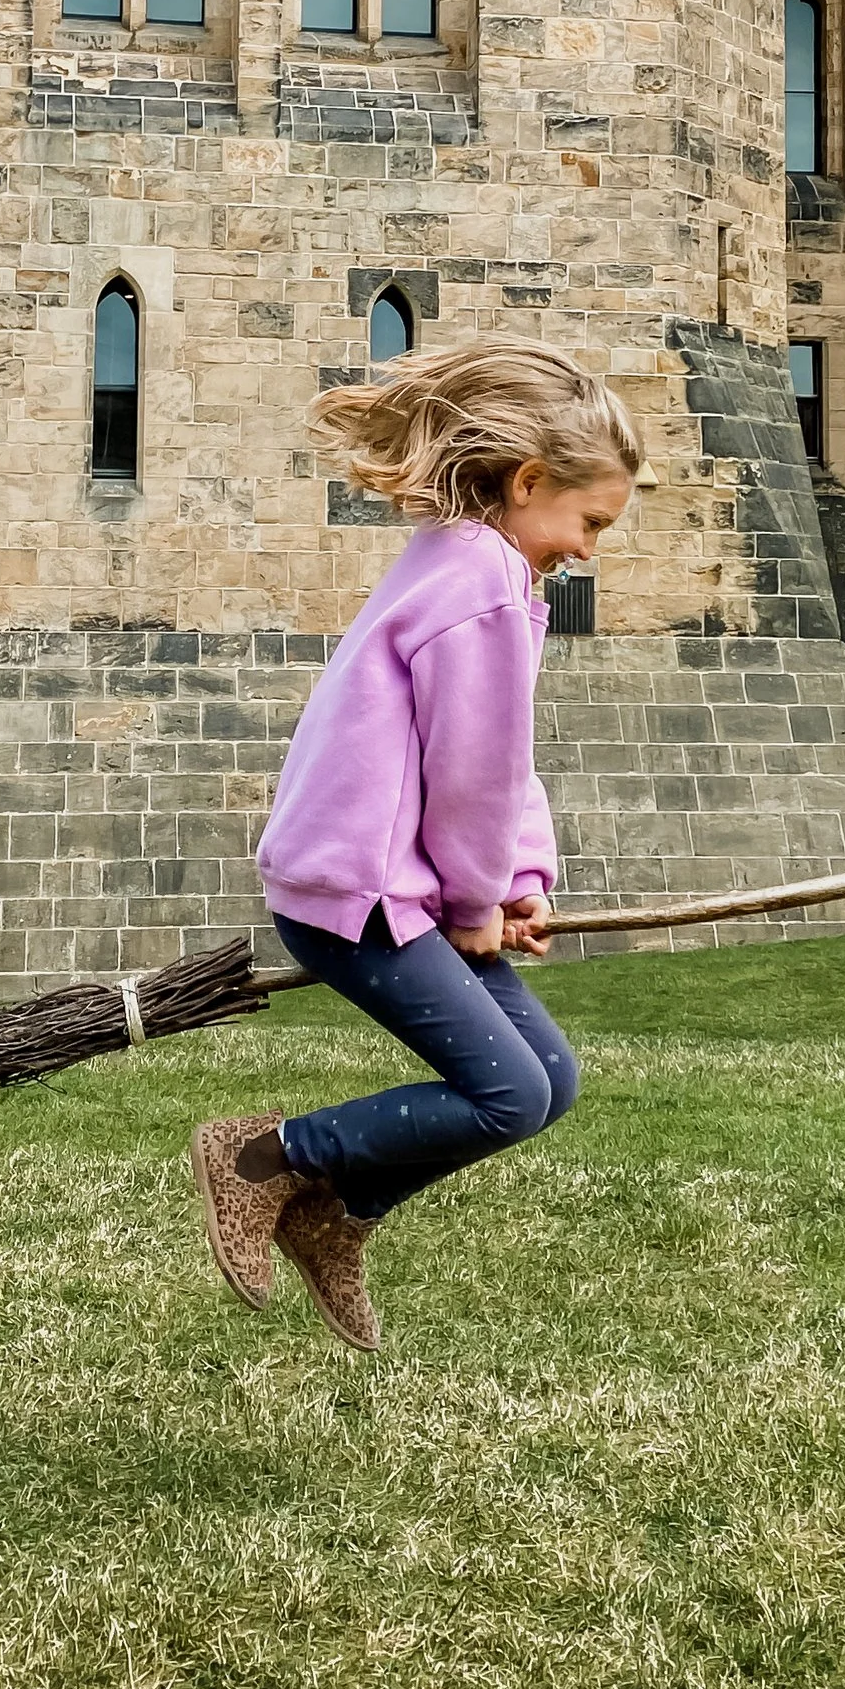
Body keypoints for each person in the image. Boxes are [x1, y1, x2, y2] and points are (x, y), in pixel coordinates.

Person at [191, 342, 644, 1352]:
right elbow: (471, 777)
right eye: (589, 521)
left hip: (400, 890)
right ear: (529, 483)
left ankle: (332, 1221)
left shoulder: (478, 566)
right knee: (507, 1092)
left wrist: (516, 882)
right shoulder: (481, 581)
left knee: (546, 1085)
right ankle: (259, 1162)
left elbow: (502, 754)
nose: (589, 547)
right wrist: (478, 903)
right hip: (358, 894)